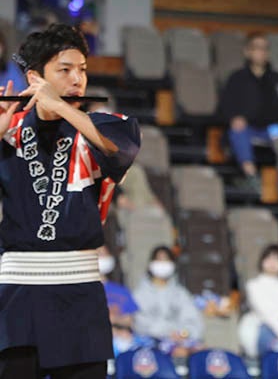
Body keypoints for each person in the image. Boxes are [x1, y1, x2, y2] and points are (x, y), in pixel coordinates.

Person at [0, 23, 141, 378]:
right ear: (35, 78)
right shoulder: (8, 129)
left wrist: (61, 109)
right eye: (65, 70)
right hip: (15, 289)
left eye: (82, 70)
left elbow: (122, 149)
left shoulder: (103, 127)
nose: (78, 79)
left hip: (79, 289)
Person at [219, 33, 278, 191]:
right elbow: (225, 106)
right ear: (247, 52)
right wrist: (235, 118)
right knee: (238, 131)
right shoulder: (237, 78)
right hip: (248, 130)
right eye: (257, 48)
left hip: (271, 130)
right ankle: (251, 177)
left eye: (264, 49)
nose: (261, 52)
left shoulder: (277, 79)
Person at [132, 245, 204, 358]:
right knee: (178, 352)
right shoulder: (139, 294)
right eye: (159, 260)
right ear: (151, 264)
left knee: (202, 351)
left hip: (180, 338)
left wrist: (184, 333)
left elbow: (193, 320)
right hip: (152, 340)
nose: (163, 264)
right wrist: (168, 332)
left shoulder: (181, 293)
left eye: (166, 260)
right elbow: (140, 322)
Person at [238, 245, 278, 359]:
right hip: (263, 328)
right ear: (262, 261)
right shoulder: (254, 285)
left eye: (277, 259)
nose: (273, 262)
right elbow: (268, 314)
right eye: (269, 258)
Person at [97, 245, 143, 356]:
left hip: (122, 340)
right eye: (98, 254)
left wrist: (114, 321)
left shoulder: (121, 290)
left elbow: (129, 320)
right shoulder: (82, 291)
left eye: (105, 254)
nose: (102, 258)